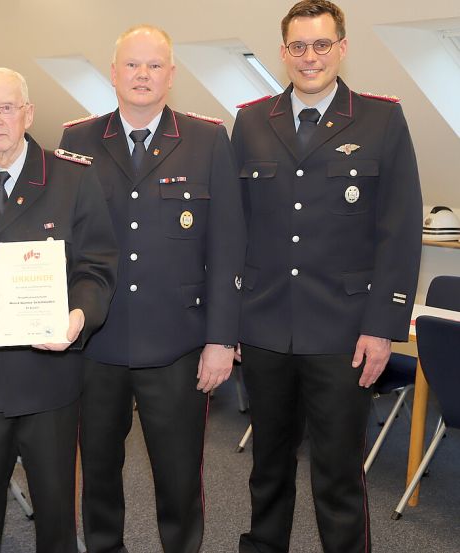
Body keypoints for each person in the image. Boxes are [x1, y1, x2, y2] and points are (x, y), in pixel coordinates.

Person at [231, 2, 422, 551]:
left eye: (320, 45)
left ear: (341, 47)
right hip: (265, 328)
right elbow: (235, 229)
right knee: (267, 469)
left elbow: (400, 230)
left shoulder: (381, 119)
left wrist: (382, 326)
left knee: (338, 475)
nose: (309, 57)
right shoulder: (250, 120)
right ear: (283, 50)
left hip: (344, 333)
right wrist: (231, 322)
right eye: (298, 46)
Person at [59, 25, 246, 553]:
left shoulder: (207, 138)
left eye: (154, 65)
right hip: (98, 341)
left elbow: (228, 246)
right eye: (132, 65)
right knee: (97, 469)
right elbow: (63, 240)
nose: (143, 75)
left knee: (180, 476)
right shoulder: (78, 140)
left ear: (171, 75)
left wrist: (220, 339)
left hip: (178, 344)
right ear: (113, 73)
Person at [0, 67, 117, 553]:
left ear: (28, 113)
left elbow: (96, 267)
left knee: (55, 514)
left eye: (6, 108)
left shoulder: (73, 178)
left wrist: (79, 317)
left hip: (50, 374)